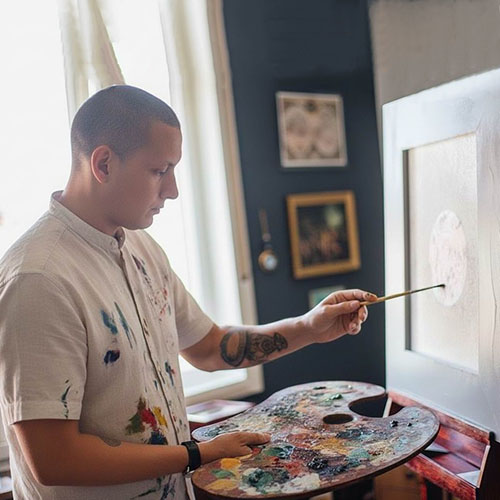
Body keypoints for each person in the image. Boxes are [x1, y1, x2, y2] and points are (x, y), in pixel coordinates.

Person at [0, 85, 377, 500]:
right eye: (160, 170)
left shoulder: (141, 248)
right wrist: (196, 454)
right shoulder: (38, 279)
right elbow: (54, 459)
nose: (173, 189)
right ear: (103, 163)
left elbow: (210, 347)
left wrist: (309, 327)